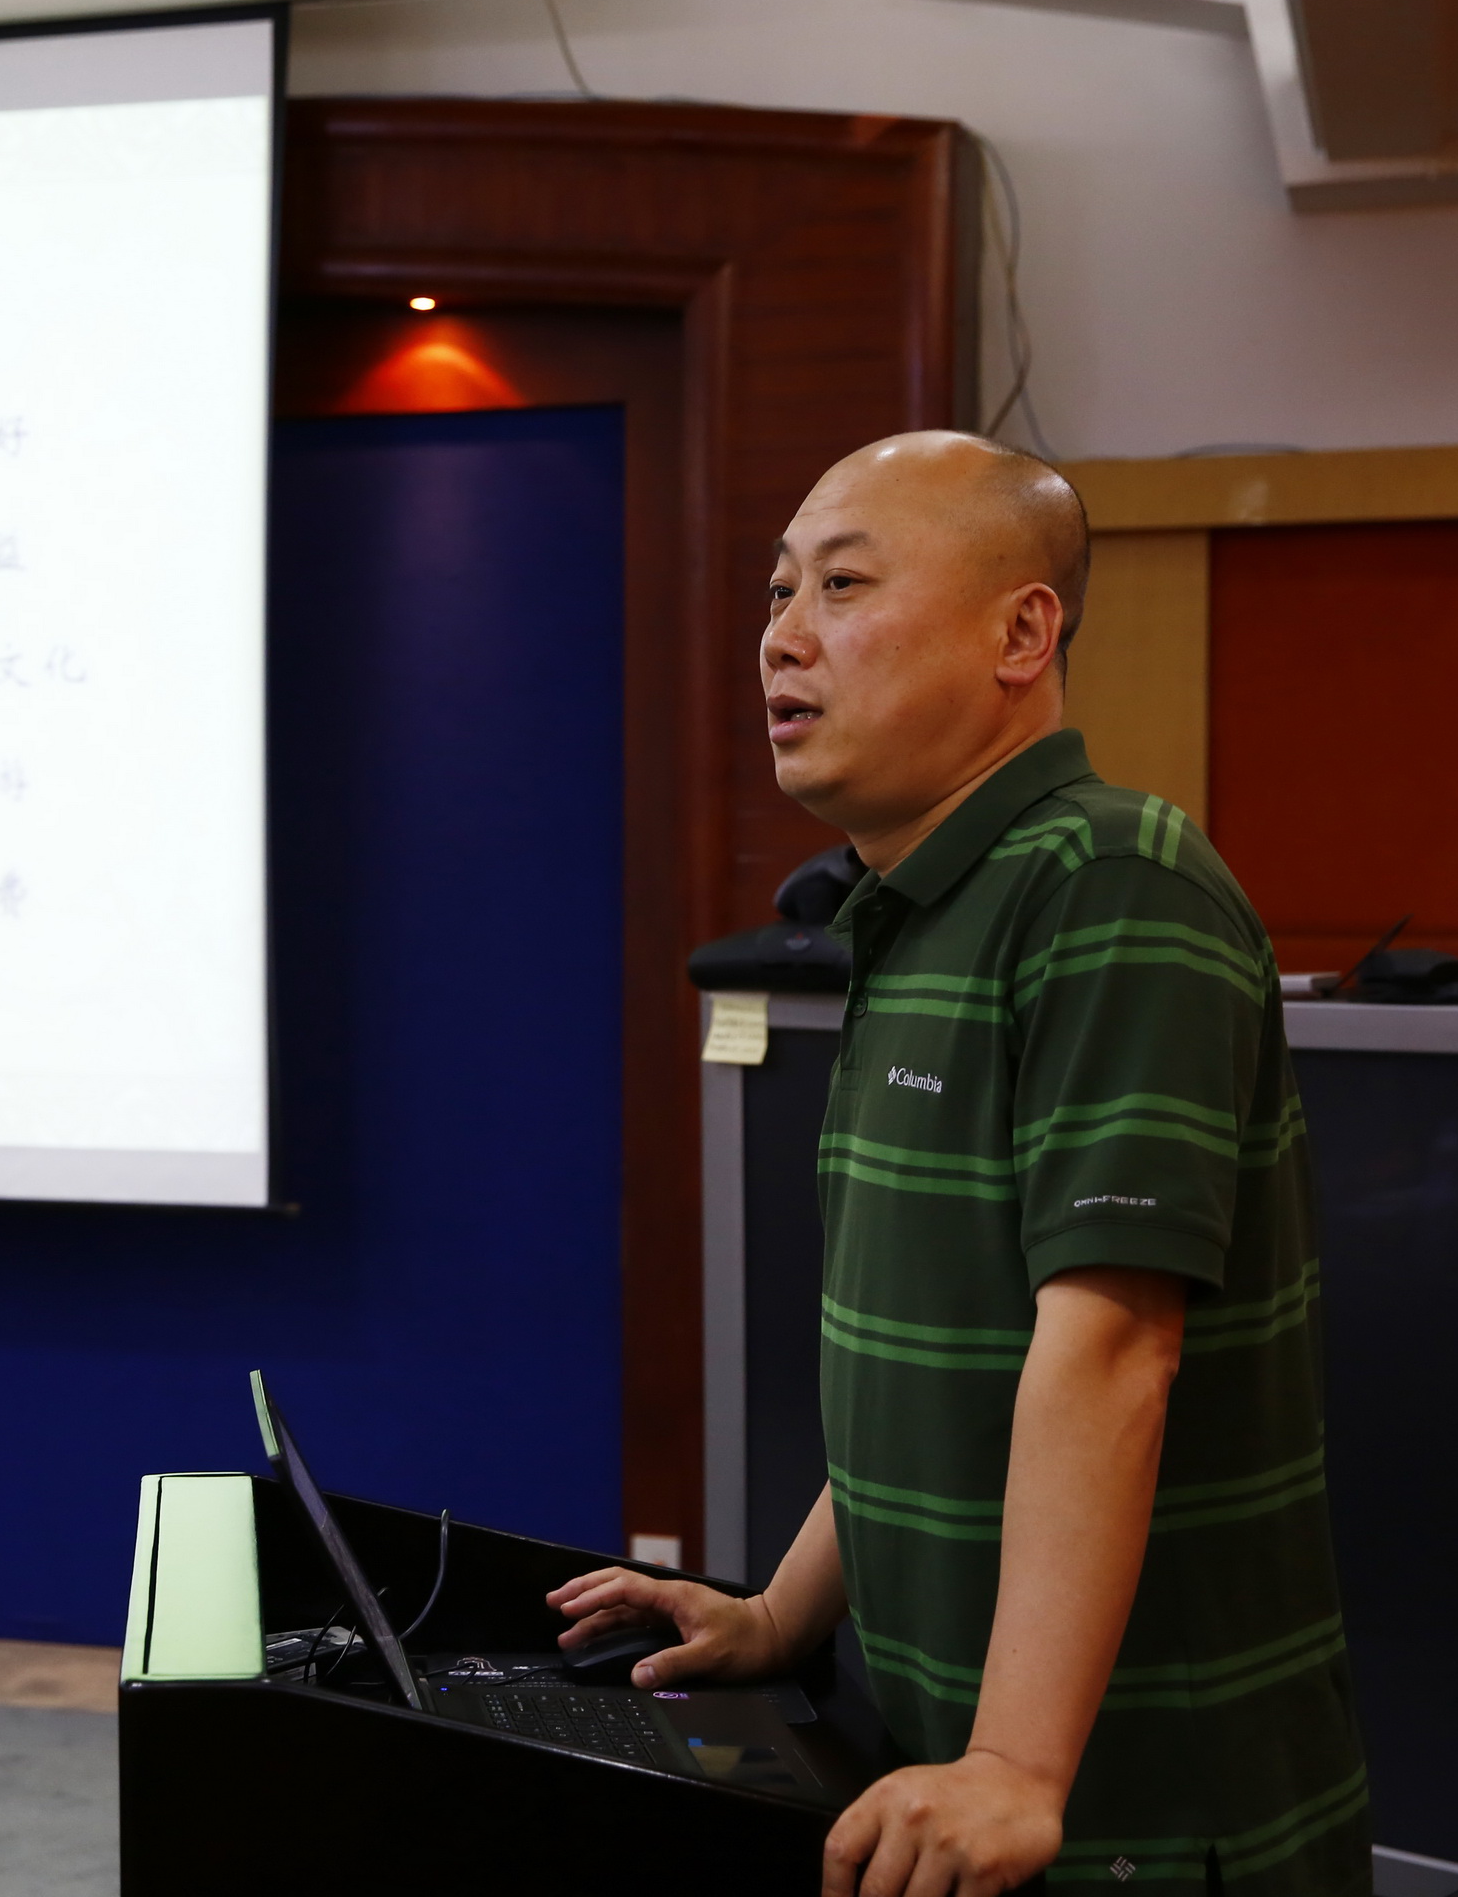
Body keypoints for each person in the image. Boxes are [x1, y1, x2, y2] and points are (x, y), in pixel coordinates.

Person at [551, 431, 1367, 1897]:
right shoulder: (916, 910)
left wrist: (1016, 1765)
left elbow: (1111, 1350)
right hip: (959, 1770)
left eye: (844, 586)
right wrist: (780, 1618)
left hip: (1137, 1806)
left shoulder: (1111, 880)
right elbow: (940, 1368)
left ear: (1021, 633)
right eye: (779, 591)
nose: (781, 638)